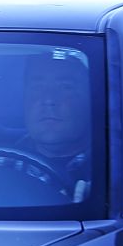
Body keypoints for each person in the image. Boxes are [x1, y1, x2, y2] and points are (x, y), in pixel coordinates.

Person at [20, 51, 91, 201]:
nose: (48, 100)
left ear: (91, 98)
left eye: (66, 87)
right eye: (37, 87)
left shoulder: (117, 172)